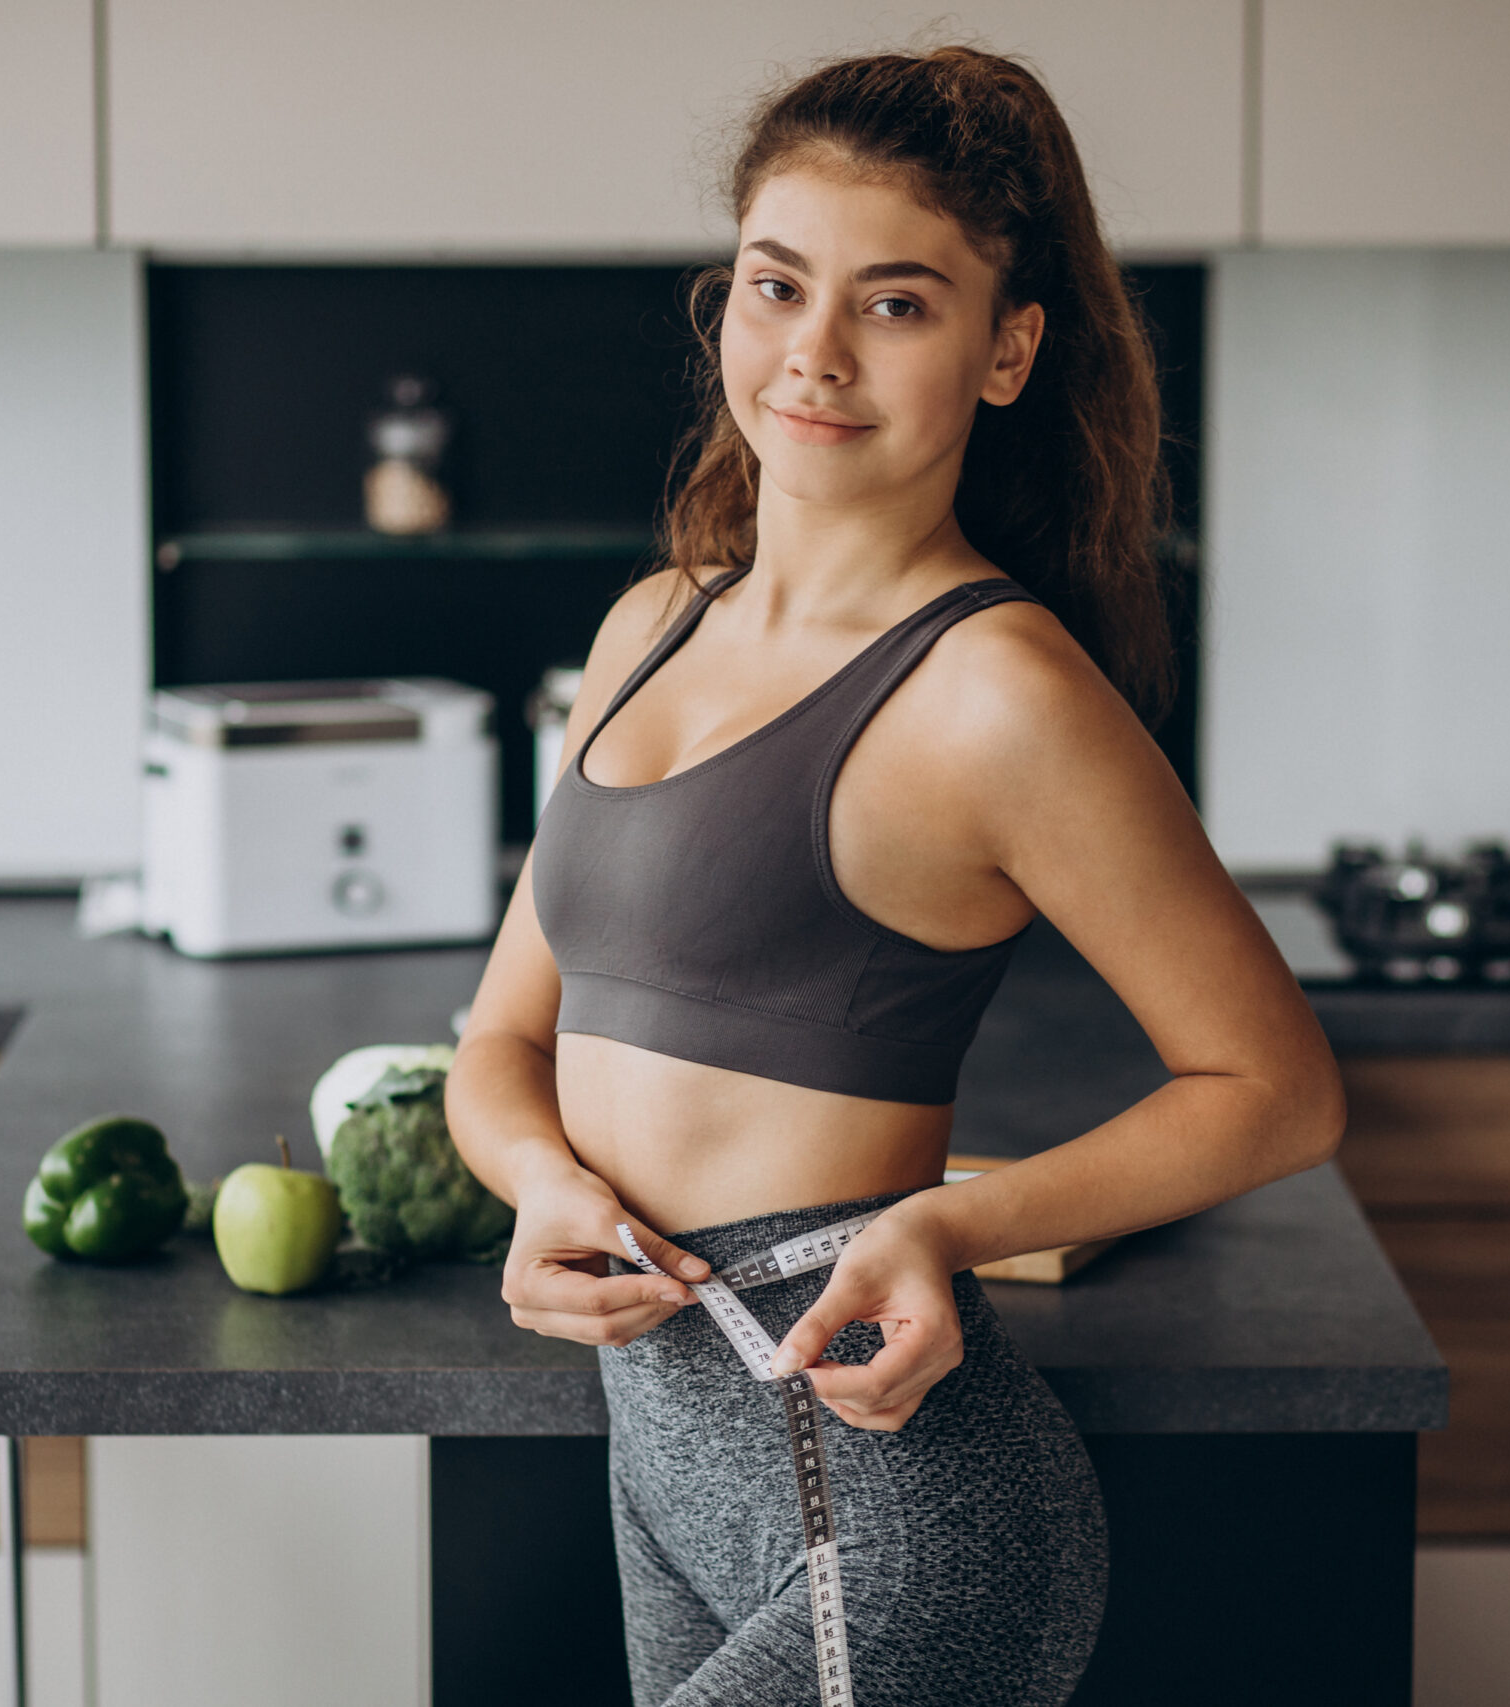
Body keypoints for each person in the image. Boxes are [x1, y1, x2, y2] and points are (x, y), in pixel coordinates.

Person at [448, 43, 1344, 1707]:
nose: (815, 352)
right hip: (671, 1480)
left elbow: (1276, 1089)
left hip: (906, 1530)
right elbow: (501, 1040)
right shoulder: (653, 627)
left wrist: (955, 1226)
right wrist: (540, 1188)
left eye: (899, 304)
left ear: (1009, 352)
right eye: (780, 285)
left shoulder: (999, 692)